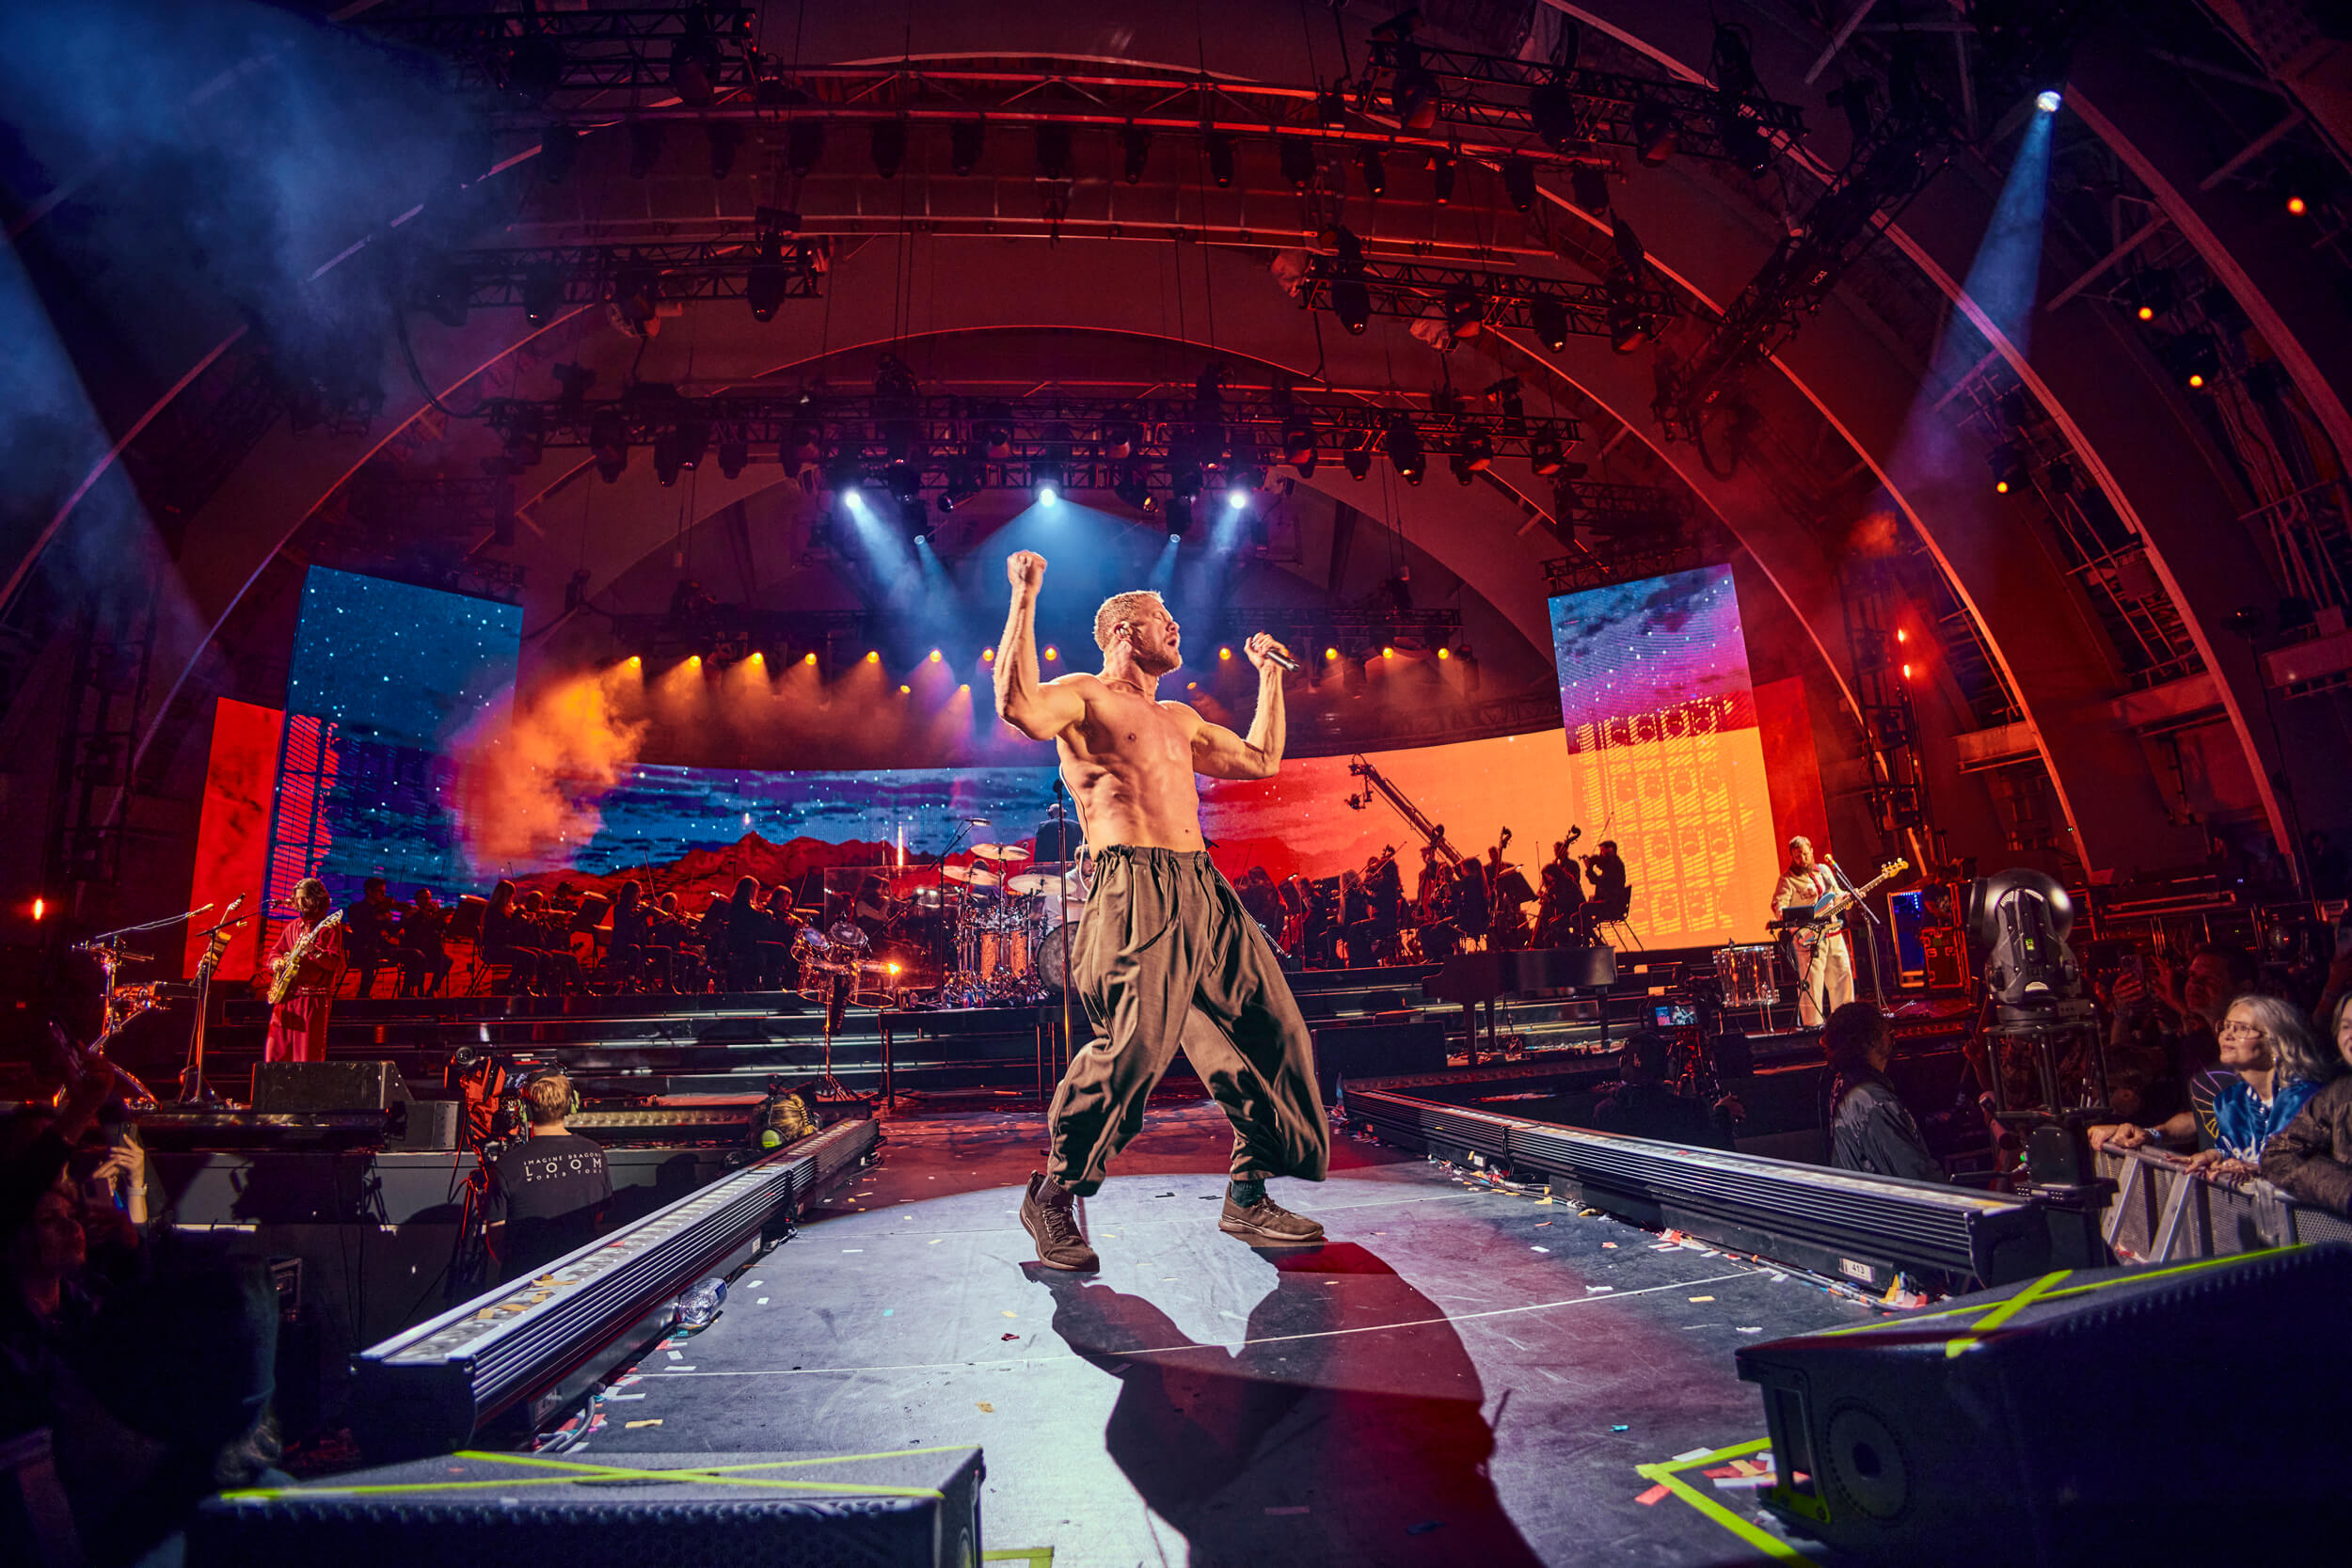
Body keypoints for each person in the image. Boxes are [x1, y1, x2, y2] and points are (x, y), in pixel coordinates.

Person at [994, 552, 1327, 1271]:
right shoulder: (1084, 696)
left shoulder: (1179, 718)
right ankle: (1052, 1194)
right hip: (1132, 883)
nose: (1176, 627)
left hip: (1201, 885)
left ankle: (1249, 1193)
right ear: (1123, 630)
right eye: (1160, 618)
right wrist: (1024, 596)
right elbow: (1019, 706)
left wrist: (1269, 676)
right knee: (1138, 1046)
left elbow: (1261, 759)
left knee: (1274, 1034)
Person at [2101, 993, 2329, 1180]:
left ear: (2276, 1043)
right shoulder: (2229, 1100)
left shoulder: (2307, 1100)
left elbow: (2320, 1169)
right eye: (2226, 1026)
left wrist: (2258, 1169)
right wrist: (2213, 1155)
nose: (2227, 1035)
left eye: (2241, 1029)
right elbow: (2230, 1149)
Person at [485, 1072, 612, 1283]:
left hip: (528, 1282)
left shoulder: (507, 1165)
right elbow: (597, 1216)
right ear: (571, 1105)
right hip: (582, 1278)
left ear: (525, 1110)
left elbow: (496, 1237)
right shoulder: (595, 1153)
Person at [1821, 1002, 1944, 1182]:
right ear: (1870, 1039)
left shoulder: (1844, 1082)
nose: (1892, 1032)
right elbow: (1913, 1171)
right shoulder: (1873, 1101)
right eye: (1884, 1028)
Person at [2261, 992, 2352, 1212]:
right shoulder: (2338, 1095)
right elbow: (2277, 1156)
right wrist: (2346, 1190)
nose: (2351, 1035)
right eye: (2346, 1026)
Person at [1589, 1032, 1732, 1148]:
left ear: (1623, 1064)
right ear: (1666, 1067)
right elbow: (1718, 1146)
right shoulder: (1687, 1110)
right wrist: (1722, 1111)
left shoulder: (1603, 1111)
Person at [1772, 835, 1852, 1027]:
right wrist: (1793, 926)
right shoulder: (1787, 880)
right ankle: (1813, 1026)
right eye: (1798, 856)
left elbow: (1836, 895)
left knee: (1842, 976)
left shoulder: (1824, 871)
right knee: (1812, 984)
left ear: (1812, 851)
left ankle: (1845, 1022)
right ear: (1792, 856)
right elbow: (1779, 906)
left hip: (1833, 932)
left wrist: (1848, 897)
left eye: (1805, 854)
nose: (1803, 859)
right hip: (1809, 938)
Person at [262, 878, 345, 1063]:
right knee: (276, 1053)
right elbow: (275, 952)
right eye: (297, 899)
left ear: (316, 899)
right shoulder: (293, 926)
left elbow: (334, 963)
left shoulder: (328, 928)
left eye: (303, 898)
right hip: (286, 997)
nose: (299, 903)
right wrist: (276, 962)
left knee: (306, 1055)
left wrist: (314, 951)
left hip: (311, 1000)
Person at [342, 877, 402, 999]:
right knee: (370, 954)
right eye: (380, 891)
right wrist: (375, 919)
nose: (383, 895)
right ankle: (363, 993)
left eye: (384, 892)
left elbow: (392, 931)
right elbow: (359, 930)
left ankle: (407, 993)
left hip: (382, 949)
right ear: (369, 891)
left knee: (415, 955)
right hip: (362, 950)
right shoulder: (356, 908)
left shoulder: (382, 910)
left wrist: (405, 919)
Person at [396, 886, 452, 997]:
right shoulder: (411, 914)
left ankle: (433, 989)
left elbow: (444, 930)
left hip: (430, 951)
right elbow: (413, 929)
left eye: (429, 898)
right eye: (424, 898)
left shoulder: (433, 915)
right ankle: (410, 990)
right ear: (417, 900)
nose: (427, 901)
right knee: (419, 958)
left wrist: (439, 917)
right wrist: (426, 916)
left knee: (447, 960)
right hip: (414, 949)